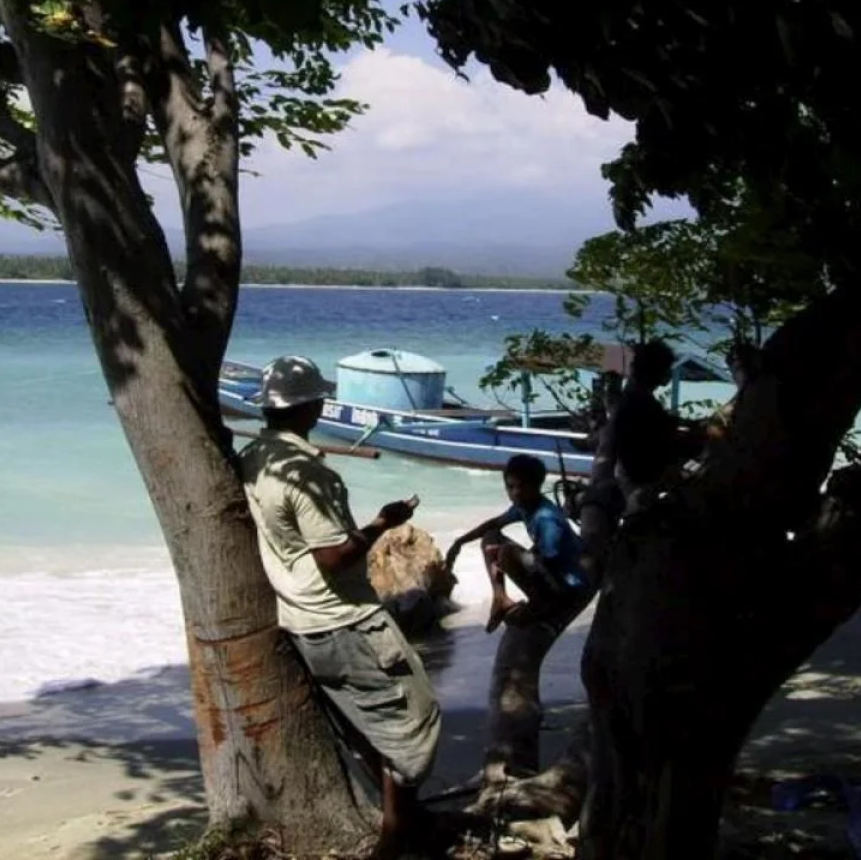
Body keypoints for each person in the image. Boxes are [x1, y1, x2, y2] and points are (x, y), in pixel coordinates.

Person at [239, 355, 442, 855]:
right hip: (346, 618)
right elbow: (334, 557)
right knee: (414, 723)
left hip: (301, 618)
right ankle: (394, 843)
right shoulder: (309, 474)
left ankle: (407, 823)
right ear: (312, 405)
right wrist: (382, 524)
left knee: (369, 728)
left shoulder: (252, 457)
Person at [444, 454, 595, 634]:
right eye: (510, 486)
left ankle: (541, 605)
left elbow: (549, 557)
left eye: (522, 486)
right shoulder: (523, 505)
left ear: (536, 487)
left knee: (506, 551)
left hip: (568, 585)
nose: (515, 492)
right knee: (490, 536)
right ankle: (500, 598)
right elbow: (494, 524)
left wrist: (504, 556)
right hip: (551, 573)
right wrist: (459, 542)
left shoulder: (546, 518)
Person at [611, 339, 703, 509]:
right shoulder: (642, 405)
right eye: (666, 368)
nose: (669, 373)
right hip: (643, 480)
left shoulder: (633, 399)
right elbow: (661, 445)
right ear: (655, 371)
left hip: (635, 474)